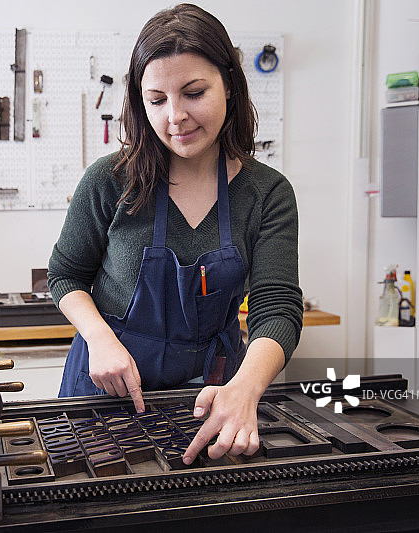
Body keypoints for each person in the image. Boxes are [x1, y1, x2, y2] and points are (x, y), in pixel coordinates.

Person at [47, 3, 302, 465]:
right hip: (104, 393)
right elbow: (65, 274)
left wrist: (245, 387)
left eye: (194, 92)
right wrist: (99, 338)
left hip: (211, 395)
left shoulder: (267, 194)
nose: (175, 117)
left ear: (230, 83)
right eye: (157, 99)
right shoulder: (110, 179)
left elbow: (277, 307)